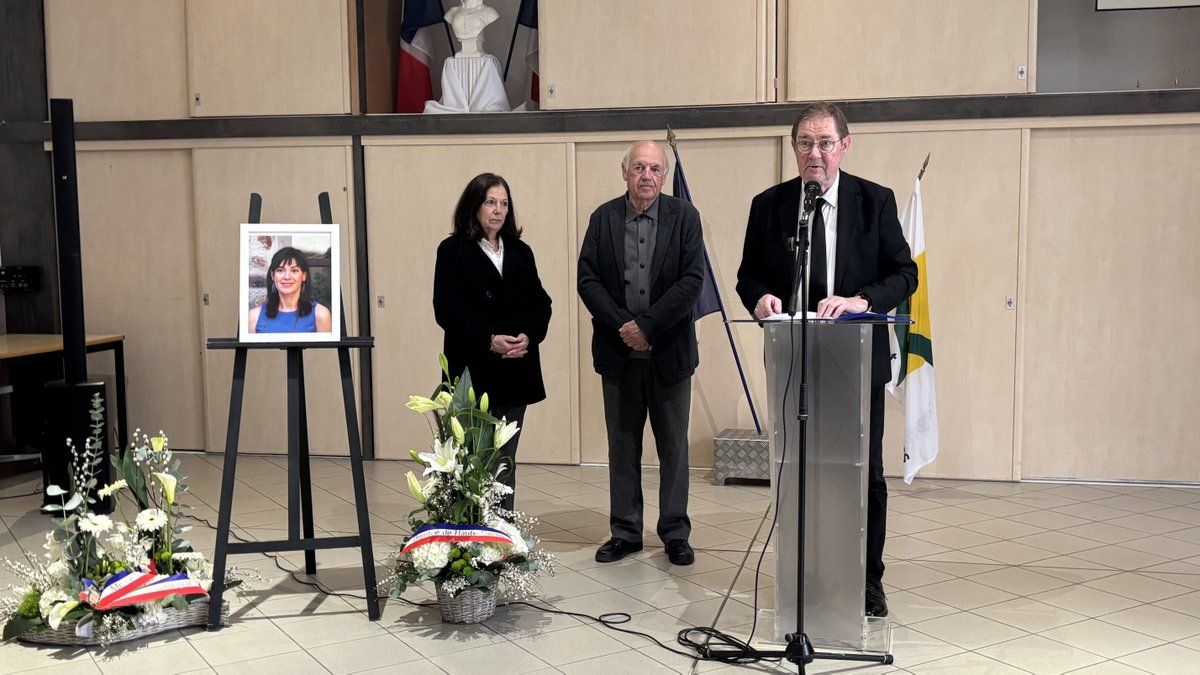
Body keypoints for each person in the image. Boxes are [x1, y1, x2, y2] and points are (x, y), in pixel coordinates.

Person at [736, 102, 918, 617]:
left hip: (857, 362)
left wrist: (863, 300)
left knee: (866, 473)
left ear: (844, 145)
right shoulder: (769, 205)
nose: (814, 154)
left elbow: (905, 274)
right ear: (793, 149)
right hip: (794, 361)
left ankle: (867, 579)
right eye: (804, 144)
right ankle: (804, 571)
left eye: (824, 143)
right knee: (799, 469)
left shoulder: (874, 202)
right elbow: (748, 276)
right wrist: (761, 300)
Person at [578, 140, 705, 566]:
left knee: (673, 449)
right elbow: (588, 281)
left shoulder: (685, 217)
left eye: (654, 168)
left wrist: (647, 327)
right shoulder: (603, 218)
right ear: (624, 172)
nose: (646, 176)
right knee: (623, 446)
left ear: (664, 175)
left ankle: (674, 532)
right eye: (638, 168)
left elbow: (691, 281)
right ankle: (626, 532)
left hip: (670, 354)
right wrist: (624, 327)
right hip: (619, 355)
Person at [433, 172, 552, 513]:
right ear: (473, 206)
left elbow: (541, 303)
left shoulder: (520, 251)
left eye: (503, 203)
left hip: (516, 369)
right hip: (473, 372)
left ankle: (501, 534)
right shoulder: (453, 250)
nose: (498, 210)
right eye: (490, 202)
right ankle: (469, 537)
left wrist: (528, 334)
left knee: (505, 460)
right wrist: (489, 340)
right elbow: (447, 310)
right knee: (470, 460)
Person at [248, 246, 333, 334]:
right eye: (280, 270)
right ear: (273, 276)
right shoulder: (254, 316)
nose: (287, 277)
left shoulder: (320, 314)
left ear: (304, 276)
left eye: (294, 270)